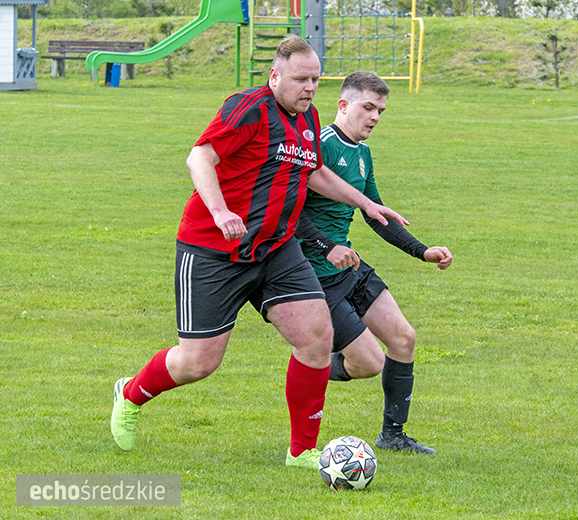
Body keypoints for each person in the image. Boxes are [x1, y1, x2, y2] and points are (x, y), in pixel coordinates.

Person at [110, 36, 407, 470]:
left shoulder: (308, 120)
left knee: (316, 338)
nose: (309, 88)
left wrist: (364, 203)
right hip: (215, 250)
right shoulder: (248, 108)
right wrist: (220, 211)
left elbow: (316, 172)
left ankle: (302, 451)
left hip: (276, 250)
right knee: (197, 362)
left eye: (316, 80)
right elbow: (199, 158)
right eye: (301, 79)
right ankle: (131, 393)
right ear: (275, 76)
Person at [296, 72, 453, 454]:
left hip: (348, 268)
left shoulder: (363, 154)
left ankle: (393, 436)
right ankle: (308, 366)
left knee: (403, 338)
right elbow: (289, 211)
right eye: (368, 107)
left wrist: (422, 251)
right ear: (344, 105)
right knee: (369, 363)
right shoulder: (320, 146)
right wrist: (327, 245)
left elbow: (375, 214)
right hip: (313, 274)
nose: (375, 117)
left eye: (380, 110)